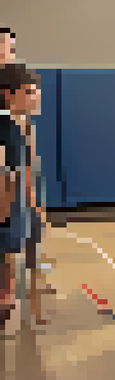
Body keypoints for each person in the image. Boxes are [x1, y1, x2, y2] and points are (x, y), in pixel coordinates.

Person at [0, 64, 44, 333]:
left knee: (15, 252)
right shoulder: (6, 129)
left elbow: (26, 168)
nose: (35, 96)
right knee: (8, 252)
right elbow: (8, 173)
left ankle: (11, 295)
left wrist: (32, 200)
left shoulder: (21, 126)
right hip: (8, 205)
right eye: (28, 91)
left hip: (16, 204)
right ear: (8, 94)